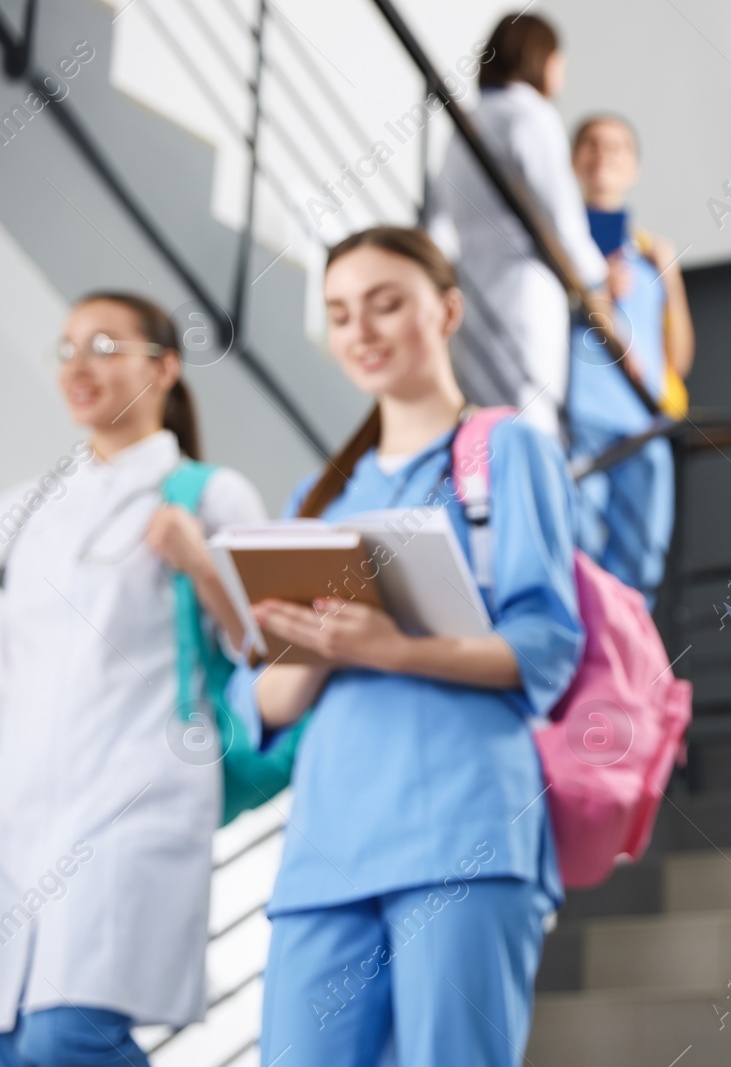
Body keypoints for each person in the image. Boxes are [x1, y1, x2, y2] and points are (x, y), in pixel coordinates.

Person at [234, 227, 583, 1066]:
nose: (362, 330)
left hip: (463, 831)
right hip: (325, 848)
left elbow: (545, 646)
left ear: (447, 309)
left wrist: (395, 647)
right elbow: (266, 702)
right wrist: (319, 645)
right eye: (341, 313)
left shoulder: (506, 449)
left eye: (386, 303)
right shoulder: (317, 493)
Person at [0, 294, 267, 1066]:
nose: (80, 366)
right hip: (20, 809)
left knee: (66, 1039)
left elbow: (274, 654)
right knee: (14, 1044)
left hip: (135, 798)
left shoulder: (209, 494)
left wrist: (202, 566)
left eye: (107, 346)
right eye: (68, 349)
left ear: (165, 367)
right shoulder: (23, 510)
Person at [436, 12, 610, 440]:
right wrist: (599, 285)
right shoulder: (532, 116)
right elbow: (562, 221)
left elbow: (439, 219)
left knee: (478, 427)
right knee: (530, 423)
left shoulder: (464, 126)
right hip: (524, 290)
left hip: (471, 291)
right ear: (543, 59)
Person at [568, 113, 694, 603]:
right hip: (583, 422)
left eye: (616, 147)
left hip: (643, 426)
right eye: (591, 145)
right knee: (582, 553)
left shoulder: (649, 258)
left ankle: (628, 671)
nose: (603, 156)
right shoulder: (559, 251)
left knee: (641, 564)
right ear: (575, 161)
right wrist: (589, 290)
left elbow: (677, 361)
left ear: (635, 166)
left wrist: (673, 284)